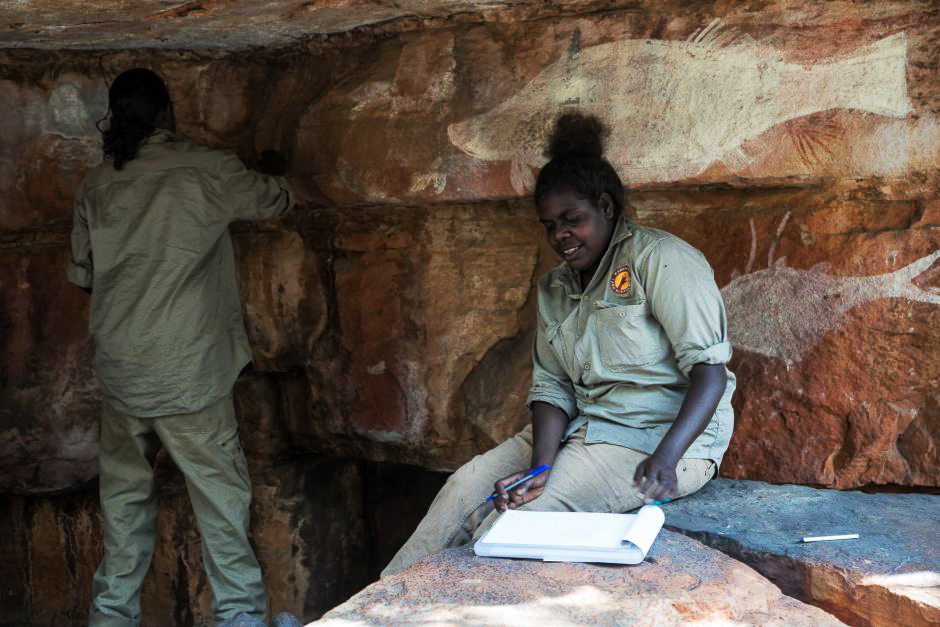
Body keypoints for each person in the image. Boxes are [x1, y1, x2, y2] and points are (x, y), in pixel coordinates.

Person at [382, 111, 735, 576]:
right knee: (462, 489)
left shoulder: (661, 260)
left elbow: (709, 372)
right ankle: (367, 610)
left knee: (509, 526)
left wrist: (667, 457)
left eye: (573, 220)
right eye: (549, 225)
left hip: (654, 439)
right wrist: (539, 469)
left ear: (606, 208)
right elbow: (551, 387)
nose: (560, 236)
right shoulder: (555, 287)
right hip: (581, 430)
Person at [67, 68, 299, 627]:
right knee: (220, 504)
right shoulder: (207, 169)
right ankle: (241, 618)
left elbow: (83, 276)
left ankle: (110, 618)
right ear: (168, 114)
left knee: (123, 509)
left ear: (114, 118)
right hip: (187, 374)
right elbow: (279, 200)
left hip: (123, 375)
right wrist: (269, 169)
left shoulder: (96, 185)